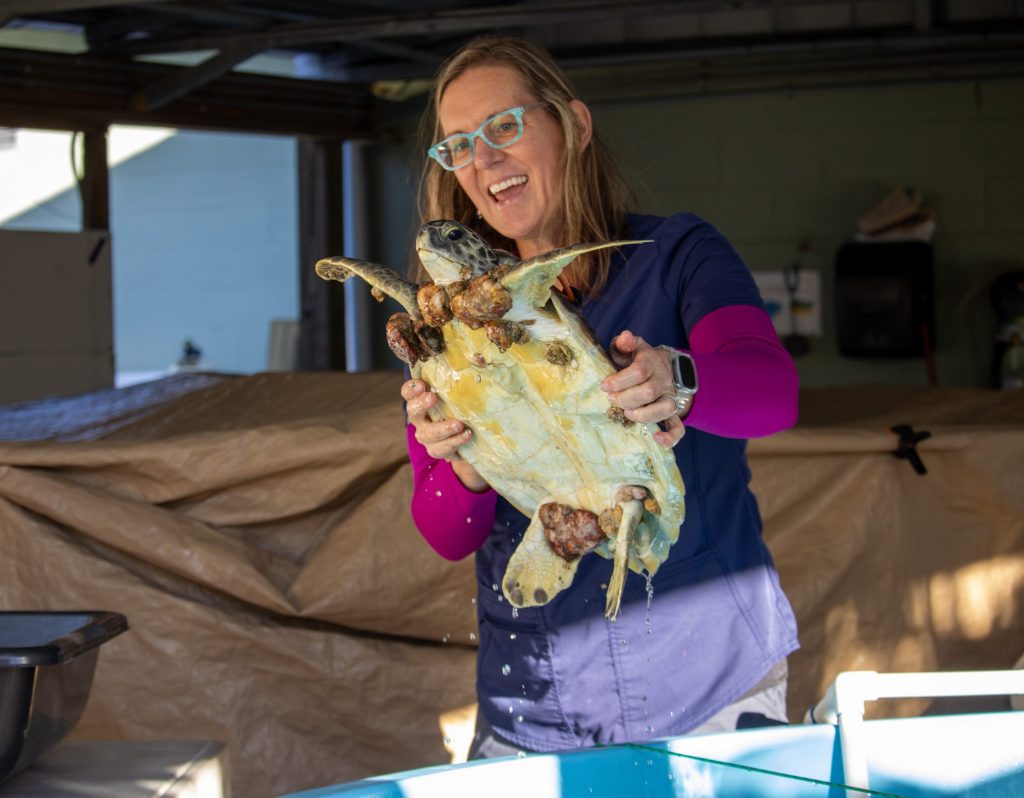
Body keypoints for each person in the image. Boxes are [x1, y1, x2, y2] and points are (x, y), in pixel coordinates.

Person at [399, 34, 800, 758]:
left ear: (574, 126)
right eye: (458, 145)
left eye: (504, 127)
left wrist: (678, 379)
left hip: (709, 689)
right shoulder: (448, 326)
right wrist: (461, 466)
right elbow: (445, 532)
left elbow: (772, 394)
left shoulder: (677, 257)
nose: (483, 159)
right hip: (537, 708)